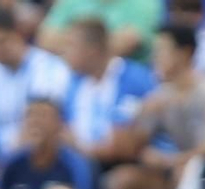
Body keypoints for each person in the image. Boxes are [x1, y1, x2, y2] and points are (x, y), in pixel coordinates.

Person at [104, 23, 205, 189]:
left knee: (185, 173)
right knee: (120, 181)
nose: (155, 57)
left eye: (162, 51)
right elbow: (135, 147)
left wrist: (171, 161)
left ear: (184, 53)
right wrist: (143, 115)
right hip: (175, 170)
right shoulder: (160, 96)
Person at [0, 4, 73, 157]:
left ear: (17, 33)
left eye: (1, 41)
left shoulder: (49, 67)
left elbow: (43, 125)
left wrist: (13, 156)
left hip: (40, 153)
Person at [63, 18, 155, 168]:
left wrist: (81, 148)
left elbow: (124, 147)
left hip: (121, 166)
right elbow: (64, 131)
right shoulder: (74, 83)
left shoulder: (134, 79)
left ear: (91, 50)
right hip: (80, 166)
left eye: (71, 45)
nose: (64, 52)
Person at [0, 97, 96, 189]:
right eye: (30, 115)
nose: (35, 121)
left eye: (43, 115)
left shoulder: (75, 165)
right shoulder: (10, 163)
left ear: (60, 124)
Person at [38, 0, 163, 60]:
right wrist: (95, 42)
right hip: (70, 74)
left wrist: (71, 43)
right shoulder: (71, 2)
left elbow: (124, 44)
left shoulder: (144, 3)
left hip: (123, 80)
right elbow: (46, 39)